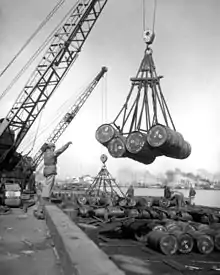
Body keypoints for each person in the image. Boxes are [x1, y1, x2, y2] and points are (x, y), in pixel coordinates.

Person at [35, 141, 72, 218]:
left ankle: (41, 207)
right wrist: (67, 145)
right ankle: (41, 209)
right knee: (47, 190)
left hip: (47, 171)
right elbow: (60, 151)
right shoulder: (51, 154)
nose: (54, 149)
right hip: (51, 171)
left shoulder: (45, 154)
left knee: (47, 187)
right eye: (53, 147)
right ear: (51, 147)